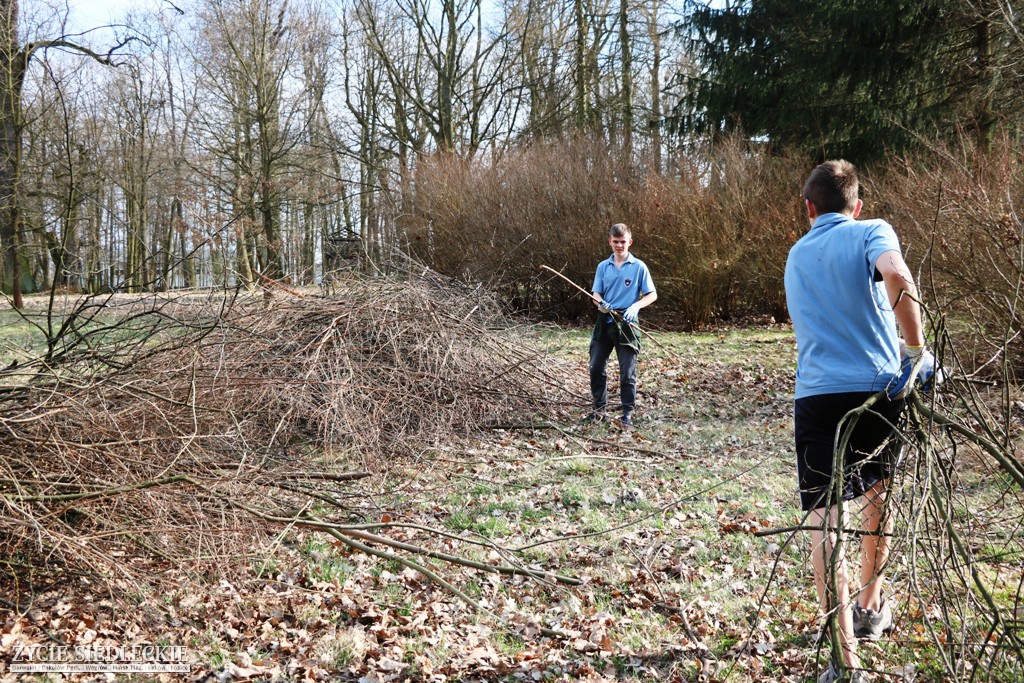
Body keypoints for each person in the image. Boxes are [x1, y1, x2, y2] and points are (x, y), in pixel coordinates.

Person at [783, 160, 936, 683]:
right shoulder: (872, 231)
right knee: (879, 495)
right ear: (857, 206)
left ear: (808, 208)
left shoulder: (796, 253)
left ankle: (843, 658)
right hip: (876, 392)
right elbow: (896, 273)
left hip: (817, 397)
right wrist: (914, 351)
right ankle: (870, 605)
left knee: (825, 523)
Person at [587, 223, 657, 427]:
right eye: (615, 242)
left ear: (630, 242)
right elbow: (596, 294)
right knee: (595, 367)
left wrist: (636, 307)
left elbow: (652, 294)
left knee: (627, 372)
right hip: (605, 322)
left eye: (623, 242)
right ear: (610, 241)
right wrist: (600, 303)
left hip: (627, 325)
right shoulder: (603, 267)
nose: (619, 245)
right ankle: (599, 410)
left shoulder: (639, 267)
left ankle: (627, 413)